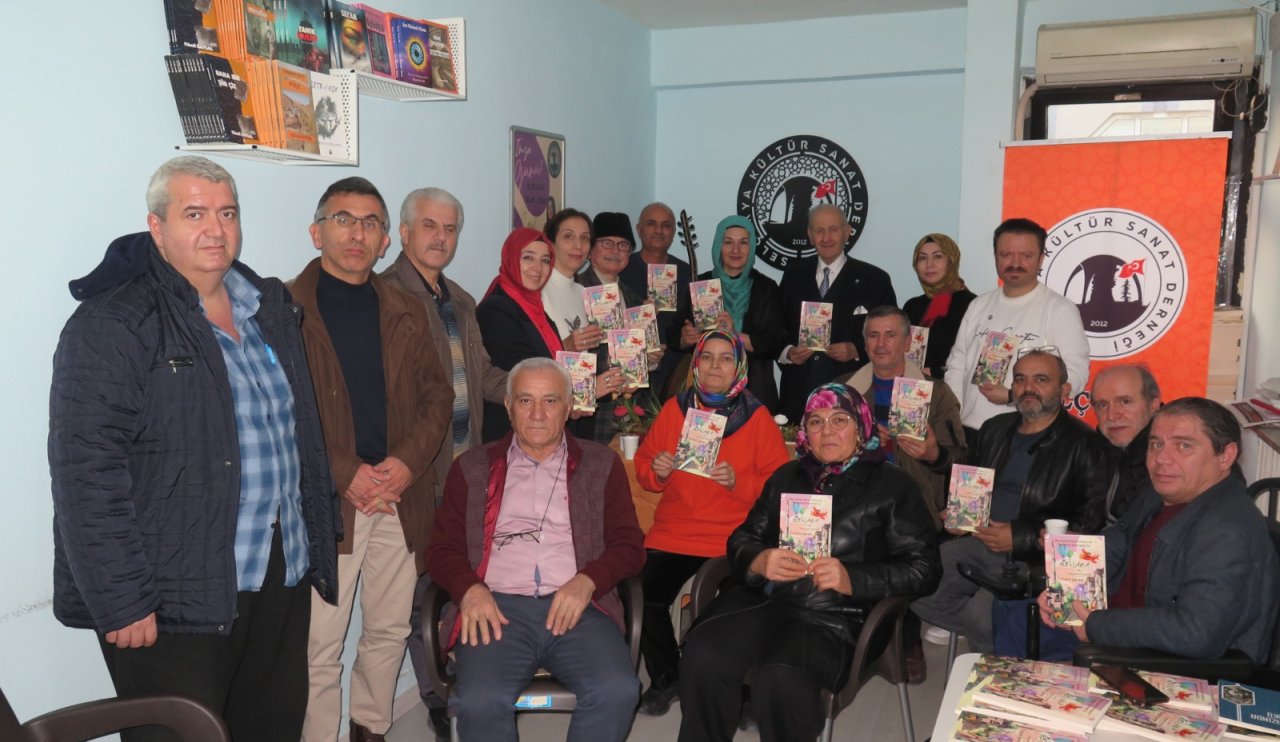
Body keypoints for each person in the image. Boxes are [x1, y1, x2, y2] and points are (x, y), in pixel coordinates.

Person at [49, 156, 339, 741]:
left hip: (275, 575)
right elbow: (85, 471)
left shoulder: (268, 309)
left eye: (227, 213)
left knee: (270, 728)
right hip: (171, 594)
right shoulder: (114, 322)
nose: (216, 228)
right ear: (157, 227)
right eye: (195, 213)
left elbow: (297, 435)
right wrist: (122, 599)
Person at [677, 383, 941, 742]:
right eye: (816, 422)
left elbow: (925, 569)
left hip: (834, 616)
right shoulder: (787, 476)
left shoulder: (894, 488)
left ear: (861, 426)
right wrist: (759, 560)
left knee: (779, 678)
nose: (827, 431)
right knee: (703, 654)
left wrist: (855, 578)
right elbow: (742, 537)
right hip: (762, 601)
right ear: (805, 431)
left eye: (839, 419)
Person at [293, 178, 452, 742]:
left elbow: (439, 396)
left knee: (386, 630)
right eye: (343, 219)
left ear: (386, 240)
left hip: (398, 497)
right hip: (330, 503)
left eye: (370, 223)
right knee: (320, 645)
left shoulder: (407, 308)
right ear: (317, 232)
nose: (357, 233)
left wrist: (407, 464)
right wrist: (347, 474)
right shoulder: (286, 310)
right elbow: (284, 409)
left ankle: (370, 731)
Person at [425, 358, 646, 742]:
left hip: (578, 605)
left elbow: (629, 545)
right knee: (480, 700)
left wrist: (588, 581)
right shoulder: (472, 468)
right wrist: (470, 589)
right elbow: (442, 548)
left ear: (569, 407)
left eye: (551, 400)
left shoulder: (601, 465)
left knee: (617, 690)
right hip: (497, 609)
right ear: (508, 406)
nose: (538, 414)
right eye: (526, 401)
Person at [1038, 398, 1279, 663]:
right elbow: (1120, 539)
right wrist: (1068, 589)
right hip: (1119, 638)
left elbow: (1195, 633)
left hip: (1165, 671)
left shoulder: (1227, 531)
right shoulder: (1162, 493)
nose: (1161, 458)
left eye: (1184, 445)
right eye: (1156, 444)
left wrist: (1096, 625)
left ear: (1226, 456)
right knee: (1013, 627)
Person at [632, 330, 791, 716]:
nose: (715, 366)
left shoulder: (756, 417)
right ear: (696, 364)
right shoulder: (675, 409)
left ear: (739, 366)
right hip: (675, 531)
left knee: (735, 608)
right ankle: (668, 677)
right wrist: (658, 470)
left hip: (732, 536)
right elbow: (644, 470)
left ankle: (737, 686)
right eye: (707, 357)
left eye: (725, 358)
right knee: (642, 595)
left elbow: (782, 486)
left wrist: (740, 482)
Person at [911, 350, 1107, 655]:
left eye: (1041, 379)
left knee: (982, 616)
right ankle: (1005, 639)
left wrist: (1021, 537)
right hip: (979, 540)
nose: (1028, 388)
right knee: (916, 580)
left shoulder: (1085, 444)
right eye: (1020, 379)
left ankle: (998, 662)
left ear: (1064, 390)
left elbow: (1093, 524)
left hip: (1032, 560)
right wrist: (961, 513)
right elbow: (973, 481)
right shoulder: (995, 429)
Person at [477, 228, 627, 442]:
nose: (538, 268)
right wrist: (586, 391)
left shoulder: (534, 308)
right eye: (528, 258)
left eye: (545, 260)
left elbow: (553, 363)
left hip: (541, 428)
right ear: (511, 259)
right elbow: (526, 375)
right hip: (515, 432)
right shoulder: (497, 309)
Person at [944, 218, 1090, 436]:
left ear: (1041, 259)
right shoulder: (978, 305)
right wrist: (953, 417)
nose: (1015, 262)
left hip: (1026, 433)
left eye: (1026, 255)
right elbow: (957, 365)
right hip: (969, 431)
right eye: (1006, 255)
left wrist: (1014, 396)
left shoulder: (1059, 309)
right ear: (995, 257)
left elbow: (1074, 375)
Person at [835, 305, 966, 526]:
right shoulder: (841, 391)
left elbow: (961, 459)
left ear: (907, 342)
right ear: (865, 343)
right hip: (853, 507)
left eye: (890, 335)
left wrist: (934, 454)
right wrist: (858, 443)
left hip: (917, 508)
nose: (881, 344)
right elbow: (816, 453)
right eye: (873, 335)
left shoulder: (937, 392)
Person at [778, 204, 897, 423]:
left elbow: (892, 335)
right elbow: (777, 327)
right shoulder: (793, 275)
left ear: (847, 231)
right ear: (809, 235)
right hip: (797, 395)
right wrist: (788, 352)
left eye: (833, 229)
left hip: (853, 392)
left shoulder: (875, 279)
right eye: (819, 230)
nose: (826, 237)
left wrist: (856, 349)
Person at [676, 216, 786, 413]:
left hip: (755, 390)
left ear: (752, 247)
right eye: (728, 242)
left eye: (743, 243)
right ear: (719, 245)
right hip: (703, 393)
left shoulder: (766, 288)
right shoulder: (699, 284)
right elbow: (675, 335)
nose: (736, 250)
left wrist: (734, 334)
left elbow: (774, 342)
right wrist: (685, 337)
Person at [579, 211, 662, 443]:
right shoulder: (577, 290)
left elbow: (639, 358)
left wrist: (652, 358)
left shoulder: (634, 298)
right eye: (606, 243)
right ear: (590, 249)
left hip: (634, 412)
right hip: (593, 412)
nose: (615, 251)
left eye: (623, 245)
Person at [619, 202, 693, 398]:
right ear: (639, 229)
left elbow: (690, 324)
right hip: (629, 375)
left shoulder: (686, 272)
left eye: (666, 225)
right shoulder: (621, 268)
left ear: (673, 231)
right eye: (651, 223)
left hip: (673, 377)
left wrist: (687, 337)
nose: (659, 230)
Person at [1091, 364, 1162, 525]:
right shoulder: (1095, 448)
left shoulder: (1171, 458)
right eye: (1102, 405)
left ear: (1153, 404)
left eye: (1124, 401)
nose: (1111, 415)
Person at [901, 233, 977, 380]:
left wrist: (936, 372)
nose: (929, 264)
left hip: (951, 393)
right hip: (910, 393)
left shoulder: (972, 305)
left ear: (952, 261)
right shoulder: (912, 306)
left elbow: (975, 360)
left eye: (938, 256)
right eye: (922, 258)